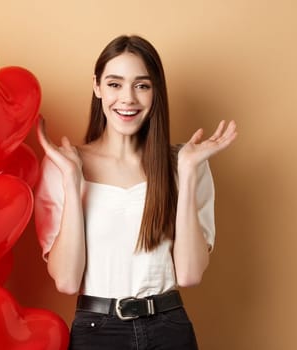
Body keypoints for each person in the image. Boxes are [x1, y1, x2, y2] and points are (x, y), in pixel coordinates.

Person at [34, 34, 237, 350]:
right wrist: (73, 183)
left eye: (142, 85)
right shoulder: (64, 165)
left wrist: (185, 173)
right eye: (115, 84)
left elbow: (189, 274)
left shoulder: (184, 163)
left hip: (170, 328)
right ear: (97, 87)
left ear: (156, 92)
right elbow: (66, 280)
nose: (127, 98)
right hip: (96, 331)